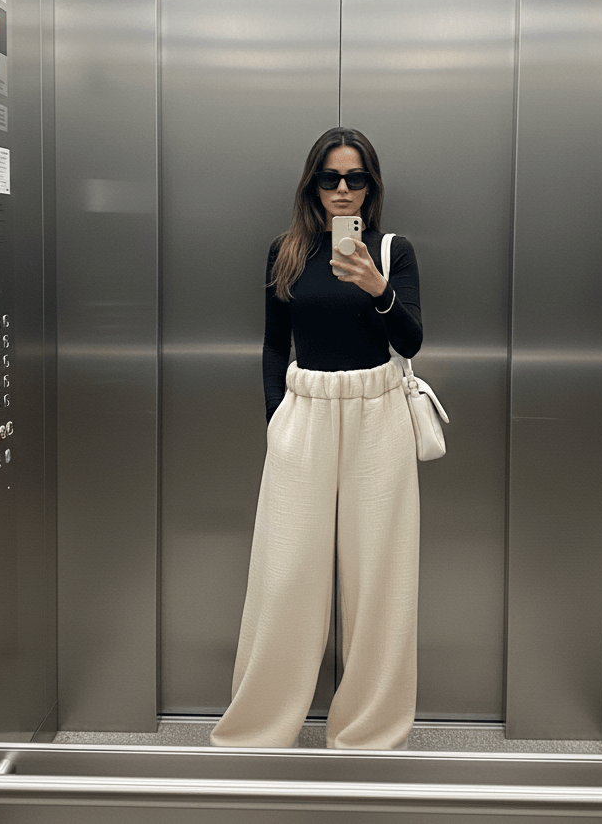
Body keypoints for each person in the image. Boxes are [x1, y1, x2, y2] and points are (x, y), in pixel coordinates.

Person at [210, 127, 422, 751]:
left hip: (377, 413)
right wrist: (276, 419)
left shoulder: (391, 250)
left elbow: (410, 341)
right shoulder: (286, 252)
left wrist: (376, 287)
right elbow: (276, 343)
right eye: (330, 178)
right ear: (312, 185)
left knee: (380, 576)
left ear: (371, 187)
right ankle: (259, 729)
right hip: (303, 414)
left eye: (355, 179)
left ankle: (369, 734)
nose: (342, 190)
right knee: (286, 572)